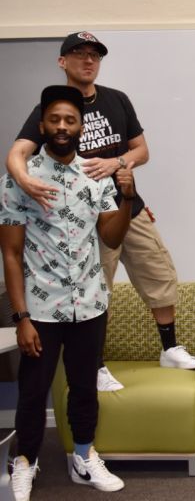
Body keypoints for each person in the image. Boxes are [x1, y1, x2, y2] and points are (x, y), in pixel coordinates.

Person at [6, 31, 195, 392]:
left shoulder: (116, 100)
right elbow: (17, 153)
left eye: (94, 55)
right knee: (96, 291)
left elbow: (141, 151)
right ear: (63, 62)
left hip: (127, 204)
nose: (88, 60)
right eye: (79, 54)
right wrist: (24, 180)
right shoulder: (53, 109)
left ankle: (169, 347)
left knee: (158, 271)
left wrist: (116, 162)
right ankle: (96, 366)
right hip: (86, 218)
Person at [3, 86, 133, 499]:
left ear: (80, 127)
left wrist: (126, 195)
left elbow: (111, 238)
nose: (62, 127)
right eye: (55, 119)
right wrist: (20, 317)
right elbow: (10, 252)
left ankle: (83, 457)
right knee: (33, 391)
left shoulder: (96, 175)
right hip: (41, 310)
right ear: (42, 125)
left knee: (83, 387)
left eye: (70, 120)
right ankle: (24, 462)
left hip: (91, 305)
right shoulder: (21, 178)